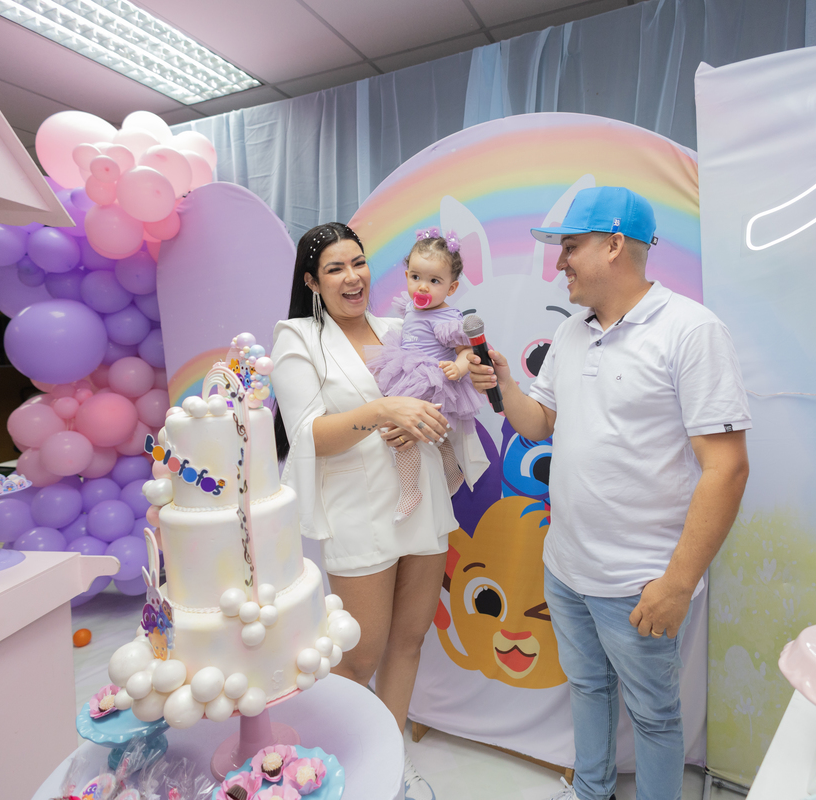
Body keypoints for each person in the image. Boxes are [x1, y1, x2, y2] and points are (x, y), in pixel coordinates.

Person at [468, 187, 751, 800]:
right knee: (588, 689)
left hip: (639, 582)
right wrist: (506, 384)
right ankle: (590, 791)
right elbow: (540, 424)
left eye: (571, 247)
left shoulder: (691, 330)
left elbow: (726, 469)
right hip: (566, 570)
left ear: (616, 245)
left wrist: (677, 584)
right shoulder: (571, 332)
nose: (560, 262)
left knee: (654, 716)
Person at [270, 222, 480, 800]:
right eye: (334, 268)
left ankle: (390, 764)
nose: (352, 277)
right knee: (359, 657)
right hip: (358, 514)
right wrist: (382, 411)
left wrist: (466, 380)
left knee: (410, 641)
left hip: (423, 502)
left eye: (358, 263)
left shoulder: (400, 327)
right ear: (312, 282)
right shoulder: (297, 338)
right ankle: (341, 770)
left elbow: (445, 392)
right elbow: (309, 435)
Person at [365, 228, 486, 522]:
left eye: (434, 281)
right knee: (436, 435)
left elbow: (467, 351)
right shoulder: (411, 307)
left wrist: (459, 367)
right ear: (407, 276)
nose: (422, 287)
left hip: (431, 381)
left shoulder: (447, 318)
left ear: (451, 288)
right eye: (416, 277)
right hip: (408, 371)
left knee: (403, 431)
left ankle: (410, 491)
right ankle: (452, 473)